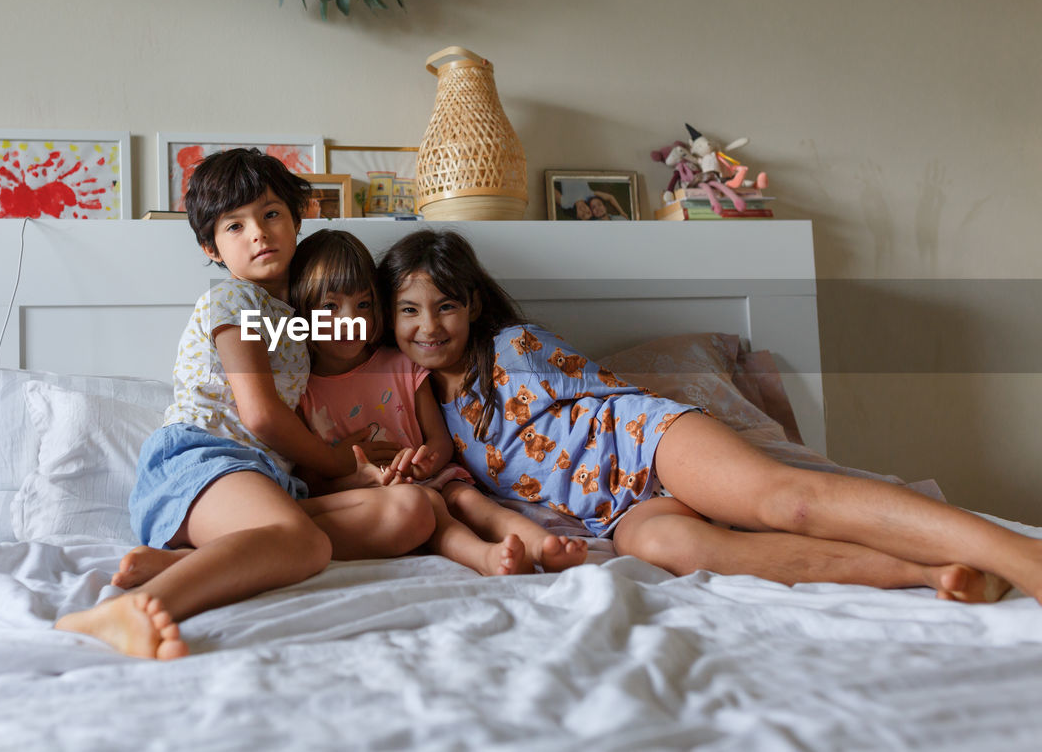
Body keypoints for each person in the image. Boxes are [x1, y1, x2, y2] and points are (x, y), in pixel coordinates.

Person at [376, 229, 1042, 605]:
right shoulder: (425, 409)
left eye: (445, 306)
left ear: (470, 306)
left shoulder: (513, 348)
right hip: (615, 511)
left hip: (644, 444)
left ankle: (1020, 551)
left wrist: (711, 445)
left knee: (790, 501)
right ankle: (930, 574)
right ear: (389, 319)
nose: (429, 326)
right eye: (409, 310)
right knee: (683, 550)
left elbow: (610, 395)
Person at [54, 150, 435, 659]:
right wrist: (344, 460)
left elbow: (355, 338)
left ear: (298, 219)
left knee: (413, 511)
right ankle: (125, 610)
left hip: (268, 479)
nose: (259, 232)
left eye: (271, 214)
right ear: (212, 247)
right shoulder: (233, 302)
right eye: (235, 226)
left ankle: (192, 561)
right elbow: (260, 415)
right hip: (201, 463)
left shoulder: (295, 318)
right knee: (305, 543)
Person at [288, 229, 588, 575]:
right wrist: (357, 480)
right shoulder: (302, 391)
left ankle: (543, 545)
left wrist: (425, 463)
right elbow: (310, 481)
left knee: (471, 502)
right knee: (431, 508)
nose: (351, 319)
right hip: (369, 497)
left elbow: (439, 439)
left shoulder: (401, 365)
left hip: (432, 478)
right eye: (329, 306)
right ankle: (486, 559)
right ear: (301, 313)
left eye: (364, 304)